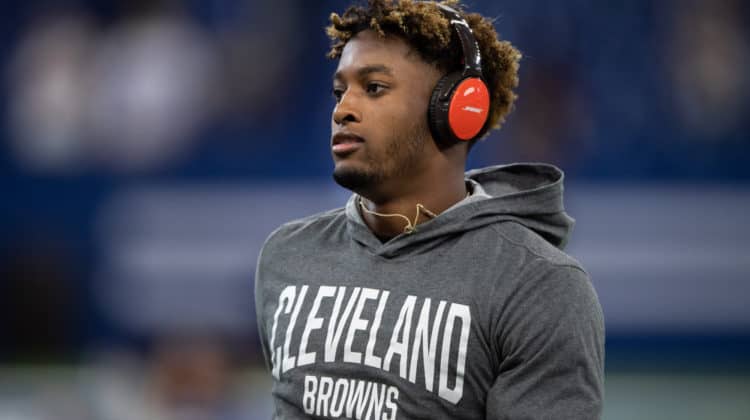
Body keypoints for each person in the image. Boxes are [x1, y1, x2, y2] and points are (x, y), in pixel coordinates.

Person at [254, 1, 605, 418]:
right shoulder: (288, 257)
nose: (342, 109)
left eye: (374, 88)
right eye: (339, 91)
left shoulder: (536, 287)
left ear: (457, 109)